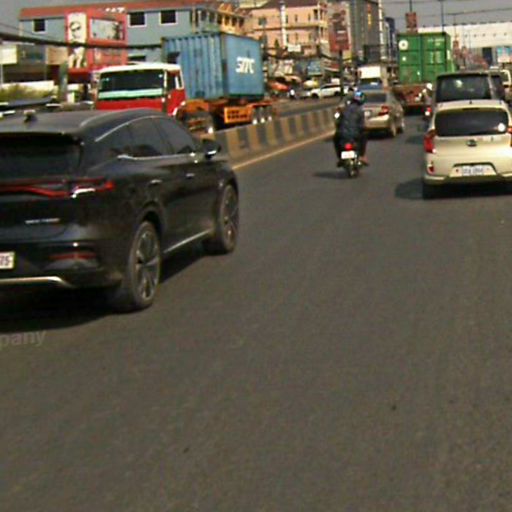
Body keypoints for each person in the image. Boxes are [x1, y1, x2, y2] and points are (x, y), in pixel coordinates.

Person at [333, 90, 369, 166]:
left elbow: (337, 121)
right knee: (364, 137)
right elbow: (361, 125)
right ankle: (362, 156)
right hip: (355, 134)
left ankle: (339, 157)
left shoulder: (343, 109)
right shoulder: (360, 111)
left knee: (335, 140)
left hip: (343, 134)